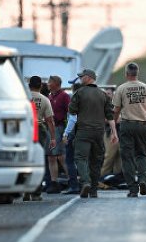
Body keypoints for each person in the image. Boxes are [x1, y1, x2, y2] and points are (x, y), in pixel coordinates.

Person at [68, 69, 118, 198]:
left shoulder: (79, 93)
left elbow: (72, 112)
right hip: (99, 133)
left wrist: (67, 132)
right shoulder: (103, 95)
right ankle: (94, 189)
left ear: (88, 77)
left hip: (83, 131)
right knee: (96, 160)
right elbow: (110, 116)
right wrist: (114, 133)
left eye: (81, 77)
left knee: (81, 158)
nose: (80, 79)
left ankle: (85, 182)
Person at [113, 62, 146, 198]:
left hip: (126, 125)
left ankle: (133, 189)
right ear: (137, 73)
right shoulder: (145, 88)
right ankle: (143, 181)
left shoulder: (121, 89)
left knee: (127, 157)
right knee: (142, 155)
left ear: (126, 74)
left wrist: (113, 125)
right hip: (142, 125)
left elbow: (116, 110)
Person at [26, 76, 57, 201]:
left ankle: (25, 190)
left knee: (25, 159)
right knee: (37, 159)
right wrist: (53, 137)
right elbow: (50, 120)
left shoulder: (23, 97)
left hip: (25, 128)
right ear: (40, 86)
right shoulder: (45, 99)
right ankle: (36, 193)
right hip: (39, 129)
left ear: (29, 85)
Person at [46, 75, 71, 193]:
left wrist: (67, 132)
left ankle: (71, 180)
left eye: (49, 82)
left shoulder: (64, 96)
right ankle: (54, 182)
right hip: (50, 128)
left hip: (59, 128)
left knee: (61, 156)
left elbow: (70, 113)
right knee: (51, 156)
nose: (47, 83)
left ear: (56, 83)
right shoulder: (49, 96)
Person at [61, 83, 82, 194]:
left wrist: (66, 133)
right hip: (85, 133)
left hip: (73, 133)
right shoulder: (86, 101)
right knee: (82, 160)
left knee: (70, 160)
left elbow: (72, 119)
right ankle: (85, 184)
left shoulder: (73, 102)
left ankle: (74, 186)